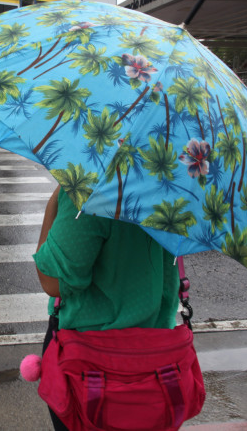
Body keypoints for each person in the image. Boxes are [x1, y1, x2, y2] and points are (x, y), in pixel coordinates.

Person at [33, 185, 180, 431]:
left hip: (90, 360)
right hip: (158, 351)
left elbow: (53, 280)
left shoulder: (93, 189)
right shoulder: (174, 182)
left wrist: (53, 204)